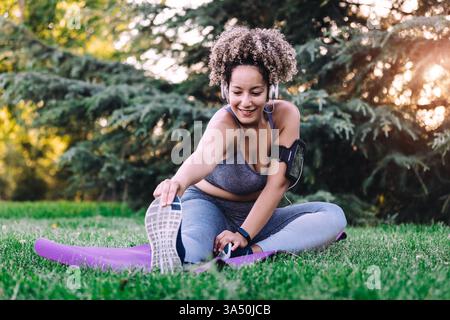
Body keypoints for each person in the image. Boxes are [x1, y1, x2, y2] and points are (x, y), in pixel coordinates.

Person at [146, 26, 347, 273]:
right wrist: (178, 183)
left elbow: (278, 185)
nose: (246, 102)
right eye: (237, 92)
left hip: (257, 215)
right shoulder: (224, 122)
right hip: (207, 205)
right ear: (225, 90)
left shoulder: (285, 116)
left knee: (333, 215)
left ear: (270, 90)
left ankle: (247, 253)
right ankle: (180, 251)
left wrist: (243, 235)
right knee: (196, 248)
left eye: (256, 92)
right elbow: (202, 157)